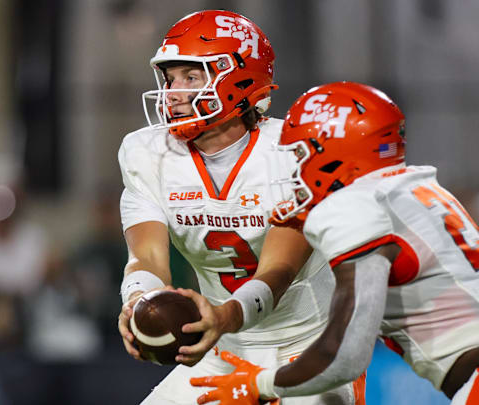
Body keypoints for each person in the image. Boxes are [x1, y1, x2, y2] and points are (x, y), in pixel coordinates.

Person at [190, 82, 479, 405]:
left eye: (299, 154)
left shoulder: (353, 205)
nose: (293, 170)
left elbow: (345, 353)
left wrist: (260, 382)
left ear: (332, 153)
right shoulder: (416, 187)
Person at [116, 11, 364, 405]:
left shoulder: (292, 152)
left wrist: (223, 316)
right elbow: (146, 258)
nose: (173, 91)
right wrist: (137, 300)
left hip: (305, 347)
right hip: (221, 346)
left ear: (239, 78)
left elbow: (278, 271)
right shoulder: (147, 154)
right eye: (169, 77)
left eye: (190, 77)